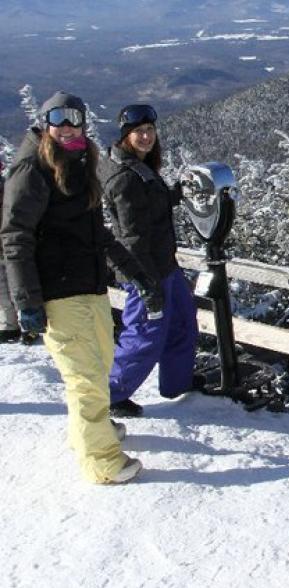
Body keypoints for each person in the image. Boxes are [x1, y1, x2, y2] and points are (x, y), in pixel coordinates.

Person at [0, 91, 164, 484]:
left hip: (88, 285)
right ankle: (103, 462)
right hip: (57, 291)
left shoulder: (78, 163)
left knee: (101, 363)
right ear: (44, 123)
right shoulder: (33, 170)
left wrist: (137, 275)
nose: (68, 125)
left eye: (75, 118)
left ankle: (92, 430)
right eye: (59, 118)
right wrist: (27, 303)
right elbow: (15, 236)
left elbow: (100, 236)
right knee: (86, 378)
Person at [100, 104, 200, 418]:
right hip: (146, 273)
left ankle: (176, 383)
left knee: (183, 323)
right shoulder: (125, 178)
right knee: (145, 333)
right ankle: (112, 395)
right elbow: (131, 238)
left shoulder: (139, 169)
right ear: (125, 136)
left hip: (165, 267)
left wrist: (175, 194)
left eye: (150, 131)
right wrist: (145, 284)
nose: (146, 137)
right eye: (139, 132)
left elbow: (150, 207)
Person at [0, 159, 21, 343]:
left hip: (9, 246)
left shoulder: (6, 189)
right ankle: (10, 325)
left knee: (11, 288)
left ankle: (12, 326)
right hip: (9, 245)